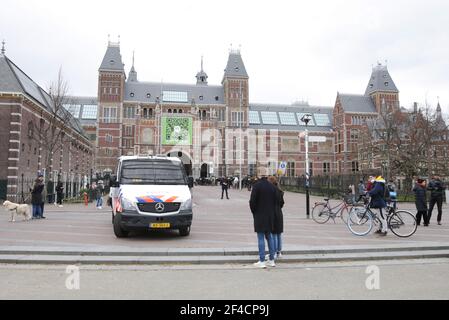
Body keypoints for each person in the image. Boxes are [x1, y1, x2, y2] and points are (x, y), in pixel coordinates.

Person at [249, 176, 276, 268]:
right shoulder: (272, 187)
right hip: (270, 216)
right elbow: (275, 202)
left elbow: (252, 201)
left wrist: (254, 212)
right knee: (269, 237)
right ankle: (272, 260)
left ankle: (262, 260)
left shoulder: (257, 186)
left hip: (260, 215)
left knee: (260, 237)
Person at [268, 176, 284, 260]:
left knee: (273, 233)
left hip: (273, 213)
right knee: (278, 233)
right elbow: (282, 203)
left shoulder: (271, 191)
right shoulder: (280, 191)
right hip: (279, 213)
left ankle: (273, 252)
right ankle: (279, 252)